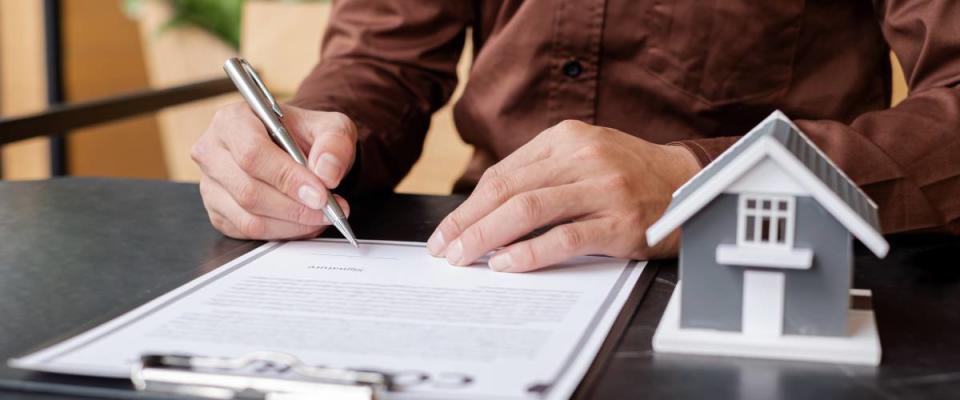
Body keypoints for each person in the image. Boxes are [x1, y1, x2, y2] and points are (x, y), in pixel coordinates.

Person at [192, 1, 960, 273]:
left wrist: (705, 184)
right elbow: (381, 56)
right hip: (479, 264)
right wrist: (313, 136)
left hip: (755, 279)